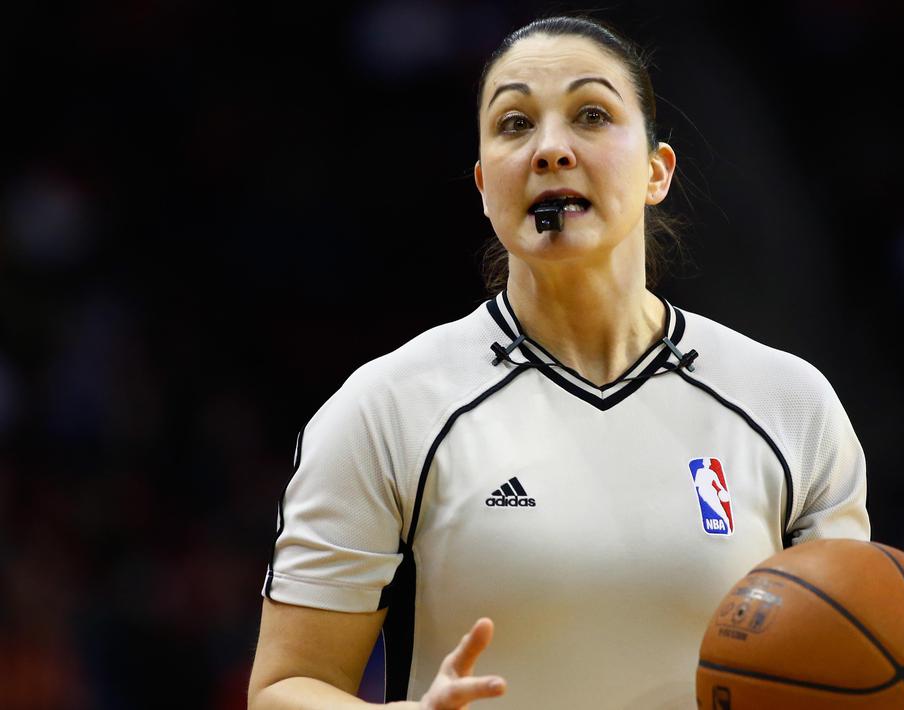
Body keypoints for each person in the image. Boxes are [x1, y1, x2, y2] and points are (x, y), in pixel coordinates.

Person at [248, 15, 869, 710]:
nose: (549, 149)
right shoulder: (388, 408)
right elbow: (281, 689)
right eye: (514, 124)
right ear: (485, 187)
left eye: (591, 115)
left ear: (657, 171)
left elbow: (851, 668)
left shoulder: (789, 405)